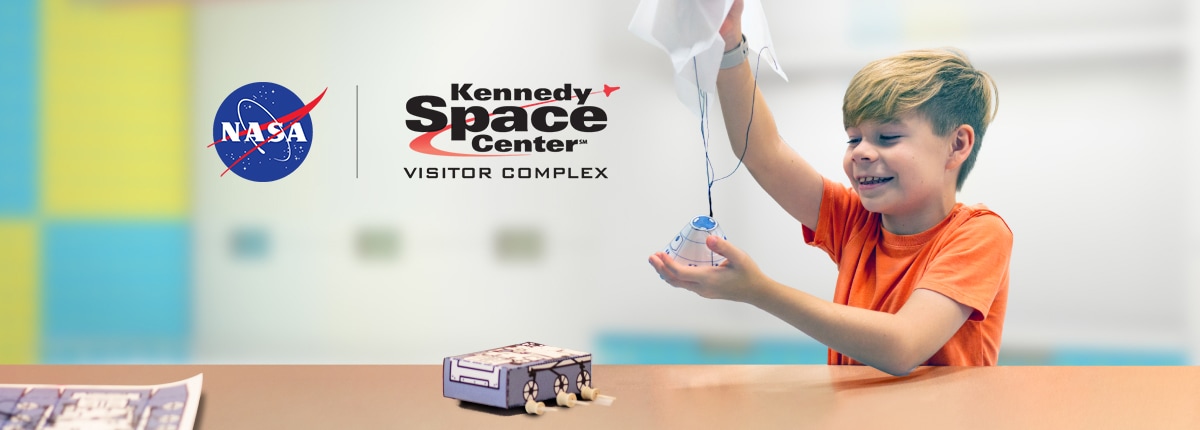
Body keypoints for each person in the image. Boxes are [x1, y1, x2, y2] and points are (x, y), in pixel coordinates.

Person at [648, 0, 1011, 376]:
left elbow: (903, 346)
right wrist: (729, 46)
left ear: (957, 145)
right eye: (853, 139)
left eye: (887, 137)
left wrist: (758, 291)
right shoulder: (855, 221)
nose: (861, 153)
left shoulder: (980, 234)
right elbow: (763, 154)